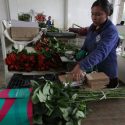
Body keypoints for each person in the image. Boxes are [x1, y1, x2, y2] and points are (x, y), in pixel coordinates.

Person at [71, 0, 120, 88]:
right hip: (93, 72)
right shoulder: (92, 27)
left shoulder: (111, 31)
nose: (94, 17)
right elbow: (87, 43)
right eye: (92, 14)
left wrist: (82, 65)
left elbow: (101, 52)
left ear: (107, 14)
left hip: (106, 76)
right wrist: (82, 52)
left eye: (98, 14)